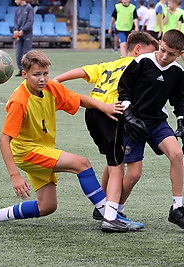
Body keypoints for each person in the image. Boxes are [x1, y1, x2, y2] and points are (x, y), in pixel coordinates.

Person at [0, 51, 125, 230]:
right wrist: (15, 176)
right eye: (36, 75)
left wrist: (104, 107)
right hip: (27, 153)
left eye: (45, 74)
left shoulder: (50, 87)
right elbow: (4, 140)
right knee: (82, 164)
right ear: (24, 74)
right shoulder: (19, 101)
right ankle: (110, 216)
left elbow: (78, 99)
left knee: (47, 206)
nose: (42, 79)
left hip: (41, 149)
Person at [53, 32, 158, 232]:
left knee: (112, 161)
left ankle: (103, 208)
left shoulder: (110, 64)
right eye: (150, 53)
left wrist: (56, 80)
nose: (153, 58)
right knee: (118, 167)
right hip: (110, 113)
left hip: (92, 113)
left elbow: (82, 71)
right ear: (138, 50)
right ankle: (111, 217)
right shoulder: (138, 66)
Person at [117, 29, 184, 229]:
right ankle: (115, 210)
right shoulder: (141, 62)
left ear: (180, 54)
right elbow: (123, 88)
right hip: (134, 122)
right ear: (160, 43)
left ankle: (177, 209)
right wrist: (128, 116)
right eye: (163, 50)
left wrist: (181, 122)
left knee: (177, 154)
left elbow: (178, 98)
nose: (164, 56)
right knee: (134, 174)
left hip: (157, 122)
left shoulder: (177, 71)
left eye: (171, 54)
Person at [163, 0, 184, 70]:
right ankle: (175, 65)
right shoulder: (165, 11)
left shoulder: (181, 12)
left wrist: (177, 34)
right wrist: (167, 13)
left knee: (178, 50)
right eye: (168, 3)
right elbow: (164, 22)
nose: (168, 5)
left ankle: (183, 65)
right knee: (173, 50)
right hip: (169, 33)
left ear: (175, 4)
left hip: (179, 34)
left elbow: (180, 24)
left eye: (170, 3)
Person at [14, 0, 34, 77]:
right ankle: (21, 69)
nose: (15, 1)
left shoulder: (29, 8)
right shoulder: (17, 9)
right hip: (19, 34)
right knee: (18, 53)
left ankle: (28, 70)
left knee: (27, 53)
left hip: (27, 34)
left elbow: (30, 21)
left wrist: (23, 30)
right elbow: (15, 21)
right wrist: (16, 30)